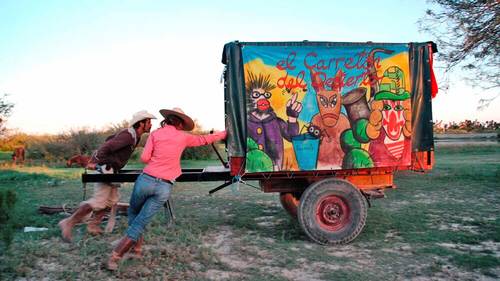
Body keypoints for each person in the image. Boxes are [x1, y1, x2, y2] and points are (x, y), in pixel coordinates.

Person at [106, 107, 226, 271]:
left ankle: (119, 255)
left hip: (146, 181)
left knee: (134, 214)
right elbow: (204, 139)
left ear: (167, 119)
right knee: (140, 222)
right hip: (164, 186)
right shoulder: (183, 137)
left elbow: (144, 158)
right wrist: (224, 133)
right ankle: (135, 250)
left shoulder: (155, 134)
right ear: (180, 123)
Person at [58, 110, 156, 243]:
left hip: (112, 169)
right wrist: (95, 161)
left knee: (111, 201)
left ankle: (93, 225)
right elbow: (107, 146)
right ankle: (68, 222)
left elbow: (110, 138)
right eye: (148, 122)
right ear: (141, 123)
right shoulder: (128, 136)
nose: (150, 124)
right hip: (106, 169)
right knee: (99, 201)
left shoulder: (133, 136)